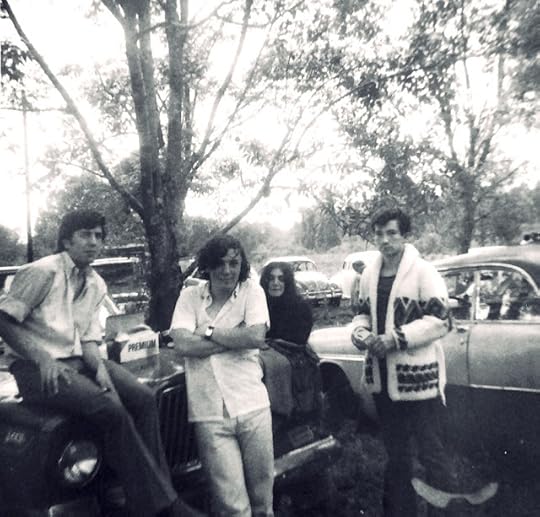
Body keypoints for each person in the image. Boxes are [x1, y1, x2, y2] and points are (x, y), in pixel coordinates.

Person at [0, 210, 199, 517]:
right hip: (35, 370)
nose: (93, 242)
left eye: (98, 236)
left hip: (78, 362)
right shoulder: (42, 272)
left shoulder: (96, 283)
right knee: (111, 409)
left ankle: (155, 492)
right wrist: (42, 358)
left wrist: (100, 370)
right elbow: (4, 320)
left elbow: (89, 340)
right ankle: (164, 506)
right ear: (67, 240)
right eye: (85, 235)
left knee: (144, 399)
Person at [350, 207, 457, 517]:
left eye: (392, 233)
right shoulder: (369, 274)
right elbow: (361, 314)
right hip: (383, 380)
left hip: (419, 382)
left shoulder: (424, 272)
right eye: (379, 234)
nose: (385, 240)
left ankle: (447, 513)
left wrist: (396, 339)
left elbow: (441, 321)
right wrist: (360, 333)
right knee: (397, 456)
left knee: (432, 453)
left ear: (405, 235)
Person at [169, 235, 274, 517]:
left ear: (241, 265)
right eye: (220, 263)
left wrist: (208, 331)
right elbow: (182, 344)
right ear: (207, 266)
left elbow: (256, 336)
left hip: (252, 406)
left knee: (263, 502)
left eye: (233, 263)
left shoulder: (252, 292)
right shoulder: (190, 297)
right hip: (209, 413)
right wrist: (235, 339)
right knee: (231, 506)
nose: (227, 270)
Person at [260, 261, 313, 346]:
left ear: (288, 282)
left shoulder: (301, 308)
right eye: (271, 278)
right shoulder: (257, 306)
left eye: (281, 279)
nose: (275, 283)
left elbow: (300, 340)